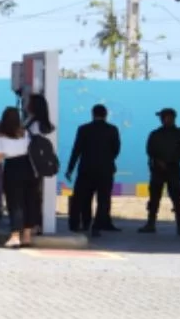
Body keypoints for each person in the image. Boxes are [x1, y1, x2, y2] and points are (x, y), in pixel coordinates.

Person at [65, 104, 121, 237]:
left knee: (83, 197)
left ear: (92, 114)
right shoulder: (112, 129)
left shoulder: (83, 129)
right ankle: (97, 226)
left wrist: (70, 169)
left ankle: (83, 223)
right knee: (103, 199)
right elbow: (116, 149)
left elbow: (76, 150)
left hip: (86, 169)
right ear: (105, 114)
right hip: (105, 170)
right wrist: (107, 159)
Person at [0, 107, 35, 249]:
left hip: (12, 168)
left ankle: (15, 236)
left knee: (15, 202)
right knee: (28, 201)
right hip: (28, 167)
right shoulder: (26, 134)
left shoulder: (0, 137)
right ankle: (27, 236)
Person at [142, 108, 180, 235]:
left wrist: (170, 161)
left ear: (172, 118)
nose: (164, 119)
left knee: (177, 198)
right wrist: (158, 161)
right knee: (154, 197)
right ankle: (150, 223)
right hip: (157, 169)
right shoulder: (155, 133)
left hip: (173, 168)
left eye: (166, 117)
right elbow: (150, 149)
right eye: (163, 117)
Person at [22, 93, 54, 239]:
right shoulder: (41, 124)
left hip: (33, 165)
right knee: (34, 196)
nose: (26, 105)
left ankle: (35, 224)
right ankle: (33, 224)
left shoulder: (35, 125)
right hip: (36, 165)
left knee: (33, 197)